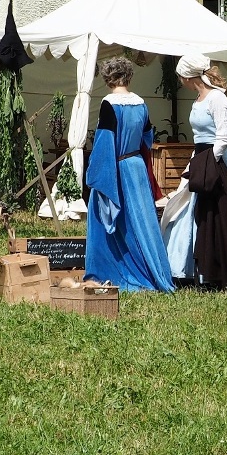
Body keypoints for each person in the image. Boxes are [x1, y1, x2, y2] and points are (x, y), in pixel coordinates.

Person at [163, 54, 227, 290]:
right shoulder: (198, 99)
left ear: (187, 76)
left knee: (218, 215)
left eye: (180, 76)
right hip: (201, 159)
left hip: (216, 163)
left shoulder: (217, 98)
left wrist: (208, 164)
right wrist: (197, 164)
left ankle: (217, 271)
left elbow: (224, 137)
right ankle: (187, 269)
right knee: (187, 210)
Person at [83, 57, 175, 292]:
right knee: (141, 222)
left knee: (105, 219)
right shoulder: (141, 103)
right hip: (136, 168)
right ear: (129, 76)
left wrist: (97, 175)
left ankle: (112, 270)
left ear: (107, 78)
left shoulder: (108, 104)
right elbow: (147, 138)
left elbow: (104, 143)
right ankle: (152, 269)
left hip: (116, 168)